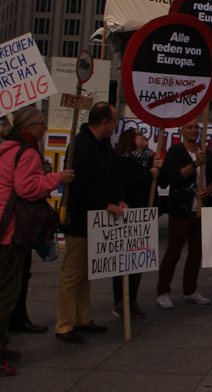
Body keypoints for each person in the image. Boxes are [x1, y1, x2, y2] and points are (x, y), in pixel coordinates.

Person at [0, 107, 73, 376]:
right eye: (41, 123)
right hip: (10, 232)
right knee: (4, 295)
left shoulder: (8, 149)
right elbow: (27, 188)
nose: (45, 128)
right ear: (28, 127)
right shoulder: (26, 152)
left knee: (3, 291)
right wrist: (57, 178)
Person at [56, 102, 124, 344]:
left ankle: (81, 317)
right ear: (104, 122)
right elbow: (80, 183)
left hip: (96, 218)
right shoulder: (81, 144)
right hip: (80, 217)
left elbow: (109, 175)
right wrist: (105, 204)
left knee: (86, 272)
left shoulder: (103, 145)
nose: (116, 126)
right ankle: (64, 324)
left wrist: (117, 198)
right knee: (72, 273)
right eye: (114, 122)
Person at [0, 118, 46, 334]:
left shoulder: (29, 145)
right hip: (5, 219)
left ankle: (13, 322)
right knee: (0, 285)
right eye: (40, 121)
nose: (45, 126)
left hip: (18, 221)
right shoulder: (2, 138)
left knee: (18, 276)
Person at [156, 119, 212, 309]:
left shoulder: (207, 153)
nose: (194, 130)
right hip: (181, 209)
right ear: (182, 130)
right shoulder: (176, 152)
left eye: (197, 127)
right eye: (190, 127)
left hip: (200, 209)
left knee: (196, 253)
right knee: (173, 252)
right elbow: (175, 177)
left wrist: (209, 190)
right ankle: (163, 291)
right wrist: (195, 164)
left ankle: (190, 290)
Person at [111, 128, 160, 318]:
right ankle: (120, 300)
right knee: (123, 261)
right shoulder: (123, 161)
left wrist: (157, 171)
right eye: (140, 135)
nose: (144, 137)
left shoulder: (149, 160)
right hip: (127, 213)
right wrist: (149, 174)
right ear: (131, 140)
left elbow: (159, 185)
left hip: (144, 214)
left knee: (138, 261)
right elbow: (126, 183)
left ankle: (132, 298)